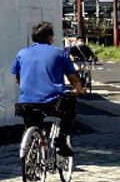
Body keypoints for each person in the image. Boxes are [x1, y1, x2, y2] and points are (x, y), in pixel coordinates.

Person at [11, 22, 85, 156]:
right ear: (50, 37)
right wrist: (80, 90)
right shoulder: (60, 53)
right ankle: (61, 140)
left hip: (26, 101)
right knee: (69, 110)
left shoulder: (22, 53)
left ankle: (32, 152)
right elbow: (72, 77)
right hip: (53, 101)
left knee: (33, 125)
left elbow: (18, 78)